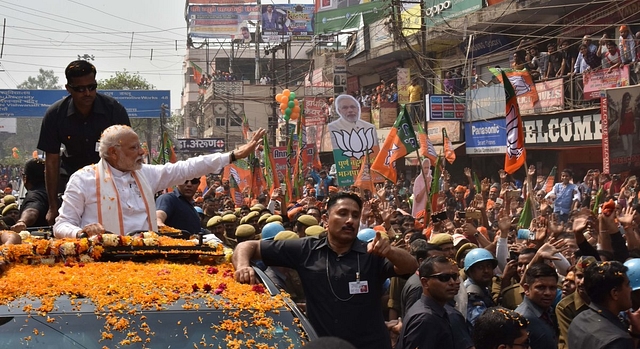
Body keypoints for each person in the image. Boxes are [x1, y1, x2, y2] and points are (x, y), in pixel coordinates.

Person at [232, 192, 418, 349]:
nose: (350, 220)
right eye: (343, 213)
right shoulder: (305, 249)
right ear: (326, 219)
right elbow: (246, 246)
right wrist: (242, 266)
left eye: (355, 215)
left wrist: (391, 251)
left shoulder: (371, 252)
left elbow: (410, 266)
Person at [53, 125, 265, 238]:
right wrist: (81, 233)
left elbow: (189, 167)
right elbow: (61, 225)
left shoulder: (145, 174)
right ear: (113, 152)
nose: (142, 152)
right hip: (101, 265)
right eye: (134, 148)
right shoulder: (83, 180)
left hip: (148, 261)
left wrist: (232, 156)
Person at [37, 60, 131, 225]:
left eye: (91, 87)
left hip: (108, 181)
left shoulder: (114, 110)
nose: (87, 93)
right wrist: (52, 206)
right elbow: (51, 162)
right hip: (71, 182)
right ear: (68, 89)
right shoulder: (55, 115)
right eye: (80, 89)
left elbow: (127, 153)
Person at [568, 261, 640, 349]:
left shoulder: (579, 319)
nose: (630, 289)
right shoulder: (617, 340)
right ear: (615, 293)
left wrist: (634, 334)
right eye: (627, 285)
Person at [396, 256, 460, 349]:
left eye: (454, 277)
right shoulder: (425, 319)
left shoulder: (435, 311)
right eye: (443, 278)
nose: (452, 282)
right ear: (425, 282)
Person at [514, 263, 559, 349]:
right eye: (541, 287)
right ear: (526, 289)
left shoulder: (549, 311)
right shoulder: (522, 319)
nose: (548, 293)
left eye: (552, 288)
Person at [556, 256, 596, 349]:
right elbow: (572, 342)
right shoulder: (565, 307)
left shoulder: (603, 299)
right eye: (579, 276)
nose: (582, 282)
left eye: (587, 277)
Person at [328, 94, 380, 160]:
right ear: (339, 110)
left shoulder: (370, 127)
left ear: (358, 109)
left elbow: (374, 152)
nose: (350, 110)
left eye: (353, 107)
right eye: (345, 108)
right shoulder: (333, 128)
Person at [11, 158, 48, 232]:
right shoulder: (52, 192)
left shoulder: (35, 195)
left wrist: (22, 221)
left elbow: (32, 210)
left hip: (38, 242)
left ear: (25, 178)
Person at [463, 248, 497, 328]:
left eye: (489, 266)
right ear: (470, 271)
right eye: (480, 267)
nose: (486, 270)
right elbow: (480, 323)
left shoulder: (482, 286)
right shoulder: (472, 292)